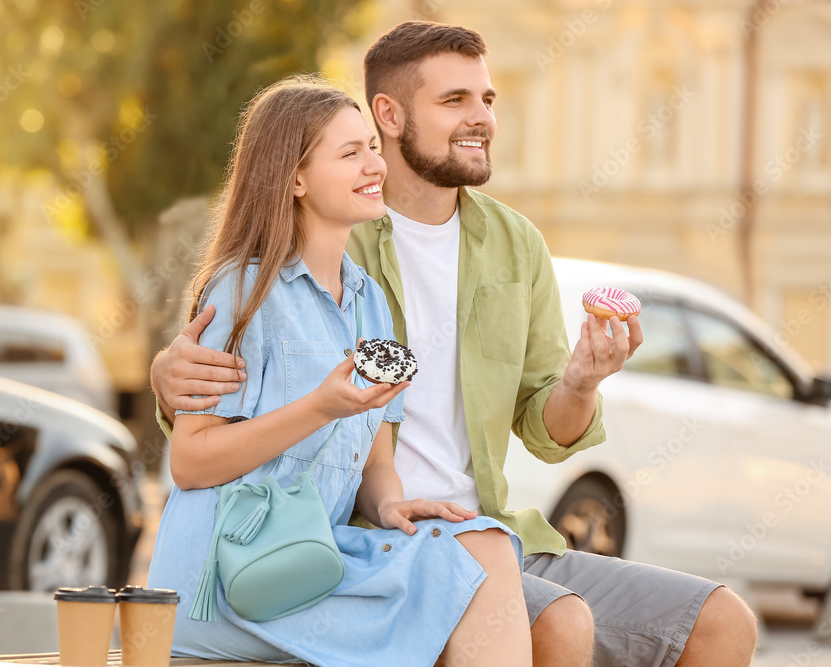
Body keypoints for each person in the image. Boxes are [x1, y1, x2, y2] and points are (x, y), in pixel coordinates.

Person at [151, 23, 759, 667]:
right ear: (389, 114)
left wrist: (583, 380)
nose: (482, 119)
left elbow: (542, 431)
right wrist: (170, 371)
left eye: (487, 100)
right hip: (328, 544)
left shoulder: (481, 255)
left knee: (721, 623)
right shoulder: (324, 244)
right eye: (455, 101)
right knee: (557, 623)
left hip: (479, 525)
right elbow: (215, 396)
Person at [146, 76, 533, 666]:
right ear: (294, 179)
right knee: (458, 590)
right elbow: (191, 461)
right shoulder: (241, 291)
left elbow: (377, 463)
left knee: (487, 545)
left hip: (314, 557)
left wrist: (390, 507)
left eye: (371, 148)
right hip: (228, 577)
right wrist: (317, 408)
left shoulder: (371, 302)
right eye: (349, 153)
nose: (373, 164)